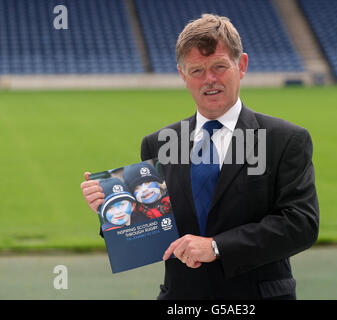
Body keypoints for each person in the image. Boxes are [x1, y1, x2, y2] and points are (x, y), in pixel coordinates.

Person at [81, 13, 319, 300]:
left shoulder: (284, 139)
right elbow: (156, 230)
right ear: (183, 75)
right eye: (197, 71)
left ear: (241, 65)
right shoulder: (157, 144)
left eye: (219, 66)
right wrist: (111, 212)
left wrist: (217, 247)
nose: (209, 80)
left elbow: (301, 224)